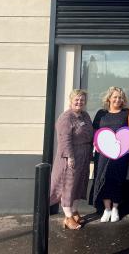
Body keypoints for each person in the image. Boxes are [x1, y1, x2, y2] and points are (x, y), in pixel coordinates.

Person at [50, 89, 93, 230]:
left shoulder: (85, 115)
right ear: (70, 101)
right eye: (77, 99)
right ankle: (68, 217)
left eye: (82, 100)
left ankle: (74, 212)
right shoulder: (66, 118)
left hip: (84, 155)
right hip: (71, 156)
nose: (79, 102)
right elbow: (65, 140)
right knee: (68, 185)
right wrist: (70, 156)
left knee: (79, 184)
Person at [92, 86, 129, 223]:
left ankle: (115, 208)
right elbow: (94, 131)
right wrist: (95, 143)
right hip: (102, 154)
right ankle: (107, 209)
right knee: (103, 179)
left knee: (117, 179)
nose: (117, 100)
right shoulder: (101, 113)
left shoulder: (127, 113)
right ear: (109, 98)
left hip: (120, 153)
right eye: (115, 97)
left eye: (120, 97)